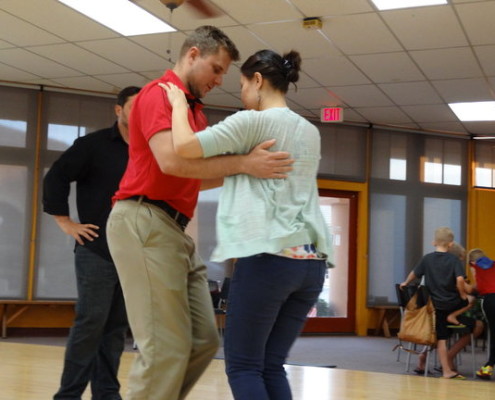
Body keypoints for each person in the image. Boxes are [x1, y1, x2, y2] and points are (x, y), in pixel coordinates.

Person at [106, 26, 294, 400]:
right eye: (216, 68)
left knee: (203, 340)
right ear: (192, 55)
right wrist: (242, 163)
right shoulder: (160, 95)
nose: (220, 79)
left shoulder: (193, 114)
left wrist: (246, 170)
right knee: (165, 348)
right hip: (143, 220)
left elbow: (192, 177)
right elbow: (171, 161)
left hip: (173, 228)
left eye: (225, 73)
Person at [161, 48, 332, 400]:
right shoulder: (309, 131)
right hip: (311, 266)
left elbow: (185, 147)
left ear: (257, 81)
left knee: (243, 366)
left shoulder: (251, 121)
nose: (241, 93)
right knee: (270, 365)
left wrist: (178, 105)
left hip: (269, 260)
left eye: (241, 84)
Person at [43, 86, 141, 400]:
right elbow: (56, 176)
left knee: (114, 329)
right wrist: (65, 222)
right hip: (96, 251)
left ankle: (106, 393)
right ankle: (68, 395)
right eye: (133, 107)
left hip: (133, 255)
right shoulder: (93, 146)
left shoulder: (150, 150)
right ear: (118, 110)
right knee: (90, 324)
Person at [400, 227, 483, 379]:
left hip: (433, 306)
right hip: (450, 304)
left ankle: (444, 368)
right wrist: (464, 295)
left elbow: (415, 273)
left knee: (441, 337)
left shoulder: (427, 258)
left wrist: (405, 282)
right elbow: (460, 281)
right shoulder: (453, 260)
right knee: (470, 302)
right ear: (451, 245)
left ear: (433, 242)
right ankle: (446, 371)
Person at [467, 248, 495, 380]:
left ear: (471, 261)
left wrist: (470, 292)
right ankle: (489, 366)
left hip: (490, 300)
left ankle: (488, 367)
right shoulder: (493, 264)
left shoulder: (474, 265)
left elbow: (477, 286)